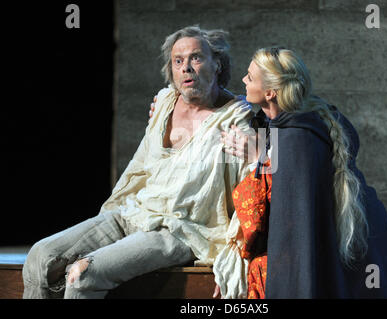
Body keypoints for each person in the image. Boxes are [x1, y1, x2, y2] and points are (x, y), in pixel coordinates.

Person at [22, 26, 256, 299]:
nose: (186, 68)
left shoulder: (237, 117)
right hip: (134, 212)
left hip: (181, 230)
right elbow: (140, 167)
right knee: (40, 255)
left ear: (217, 63)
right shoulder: (165, 102)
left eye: (196, 58)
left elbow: (260, 171)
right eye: (178, 61)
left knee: (83, 274)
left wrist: (240, 252)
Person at [220, 47, 387, 298]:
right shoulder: (291, 124)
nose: (243, 81)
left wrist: (259, 156)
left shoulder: (296, 136)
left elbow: (293, 225)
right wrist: (261, 154)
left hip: (347, 254)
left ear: (270, 92)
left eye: (250, 77)